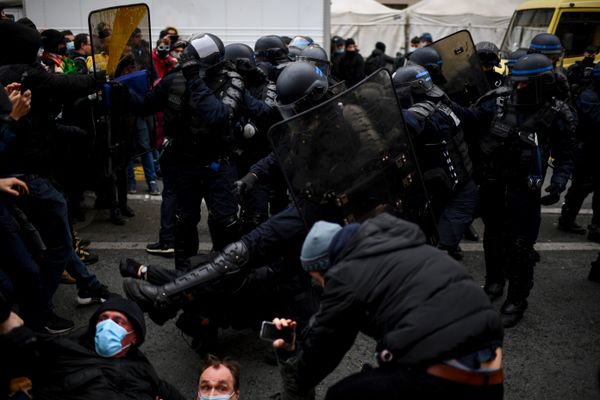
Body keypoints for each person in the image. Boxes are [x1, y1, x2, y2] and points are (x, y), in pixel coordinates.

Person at [272, 214, 503, 400]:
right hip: (489, 358)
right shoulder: (398, 244)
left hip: (447, 364)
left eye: (318, 279)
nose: (322, 286)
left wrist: (295, 382)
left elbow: (324, 345)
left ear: (325, 265)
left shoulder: (345, 275)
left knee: (342, 394)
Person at [460, 53, 576, 327]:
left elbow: (566, 154)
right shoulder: (498, 100)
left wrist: (558, 183)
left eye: (525, 83)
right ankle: (494, 283)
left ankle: (517, 300)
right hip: (492, 183)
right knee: (493, 236)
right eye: (516, 81)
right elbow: (470, 121)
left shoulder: (559, 112)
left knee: (521, 246)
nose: (518, 87)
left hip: (525, 189)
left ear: (543, 82)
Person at [392, 65, 477, 260]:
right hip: (446, 189)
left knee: (440, 253)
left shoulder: (420, 115)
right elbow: (472, 116)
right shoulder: (443, 103)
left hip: (456, 195)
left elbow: (409, 124)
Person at [32, 297, 185, 400]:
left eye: (119, 322)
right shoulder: (68, 348)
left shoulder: (140, 366)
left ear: (134, 337)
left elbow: (159, 386)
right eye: (103, 318)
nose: (107, 326)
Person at [558, 62, 600, 239]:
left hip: (592, 148)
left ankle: (592, 225)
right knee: (580, 187)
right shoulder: (589, 96)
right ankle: (569, 220)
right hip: (588, 149)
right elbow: (595, 122)